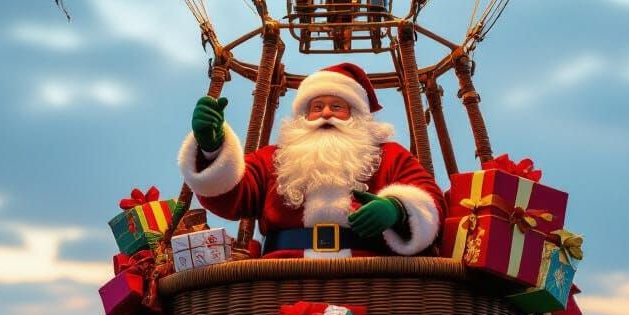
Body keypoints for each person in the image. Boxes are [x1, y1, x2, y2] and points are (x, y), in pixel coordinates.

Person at [178, 63, 445, 258]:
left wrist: (397, 209)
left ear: (356, 115)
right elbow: (233, 194)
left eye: (337, 107)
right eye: (317, 107)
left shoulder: (389, 155)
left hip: (371, 276)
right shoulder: (274, 158)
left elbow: (430, 197)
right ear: (304, 116)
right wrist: (211, 149)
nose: (325, 113)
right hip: (282, 276)